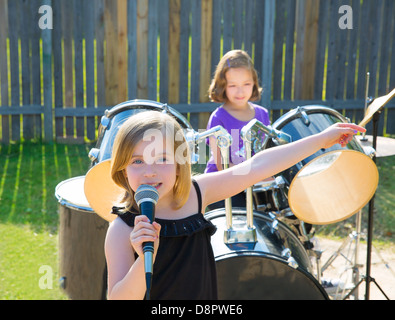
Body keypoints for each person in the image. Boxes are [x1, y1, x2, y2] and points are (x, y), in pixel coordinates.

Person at [104, 109, 364, 300]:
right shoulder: (122, 230)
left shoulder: (196, 193)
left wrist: (320, 139)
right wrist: (144, 258)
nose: (149, 171)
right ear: (124, 170)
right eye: (137, 161)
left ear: (179, 164)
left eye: (161, 159)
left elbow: (257, 166)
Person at [205, 50, 270, 209]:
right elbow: (223, 166)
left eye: (246, 84)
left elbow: (269, 152)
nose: (240, 91)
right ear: (222, 86)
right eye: (232, 85)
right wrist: (256, 177)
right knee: (242, 212)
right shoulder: (218, 118)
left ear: (254, 83)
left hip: (253, 183)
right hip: (222, 186)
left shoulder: (262, 114)